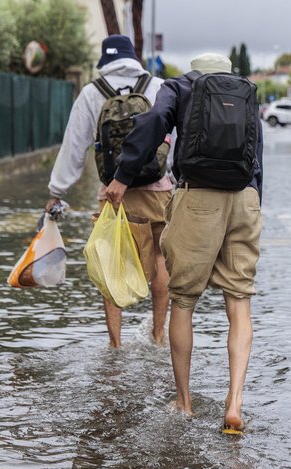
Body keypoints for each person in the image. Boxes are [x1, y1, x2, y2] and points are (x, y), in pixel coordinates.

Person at [104, 53, 264, 434]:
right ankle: (235, 402)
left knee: (184, 301)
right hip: (245, 199)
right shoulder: (246, 94)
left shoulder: (178, 86)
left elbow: (154, 125)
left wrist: (123, 175)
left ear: (194, 69)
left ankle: (184, 402)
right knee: (239, 302)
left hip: (198, 199)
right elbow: (257, 155)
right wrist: (255, 201)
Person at [46, 35, 172, 348]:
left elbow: (74, 146)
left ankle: (115, 344)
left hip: (114, 193)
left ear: (105, 60)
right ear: (133, 57)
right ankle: (159, 335)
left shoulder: (92, 92)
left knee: (110, 262)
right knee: (159, 259)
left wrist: (57, 191)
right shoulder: (157, 87)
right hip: (157, 189)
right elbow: (175, 138)